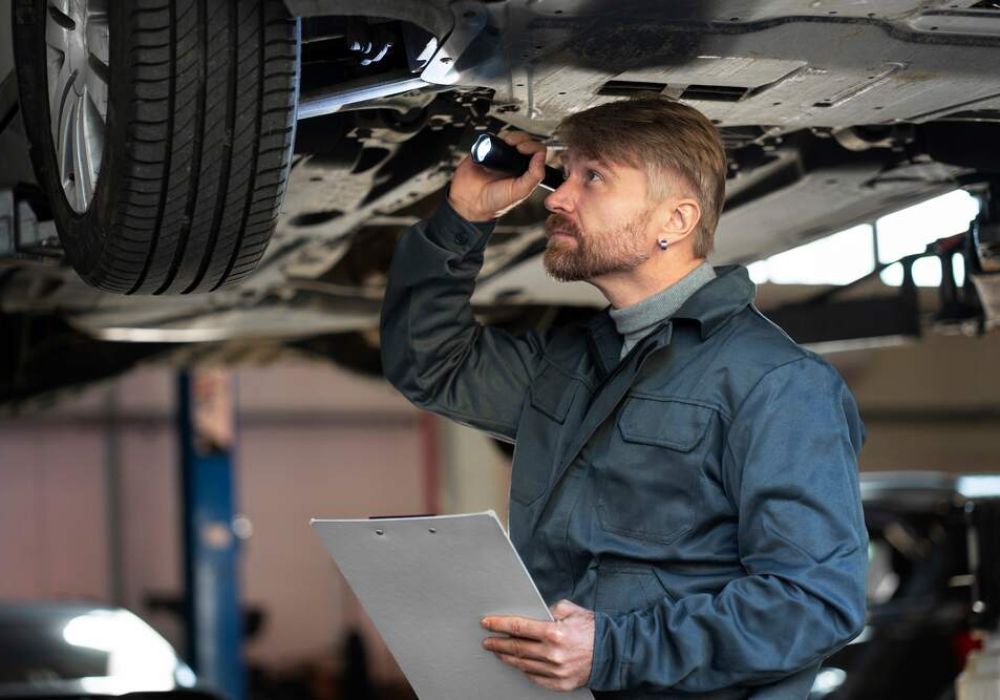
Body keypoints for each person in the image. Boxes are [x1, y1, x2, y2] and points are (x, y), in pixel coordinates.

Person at [379, 96, 868, 699]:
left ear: (675, 221)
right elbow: (431, 364)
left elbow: (815, 602)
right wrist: (462, 218)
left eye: (594, 178)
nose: (556, 198)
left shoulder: (777, 384)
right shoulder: (569, 363)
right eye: (566, 175)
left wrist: (612, 649)